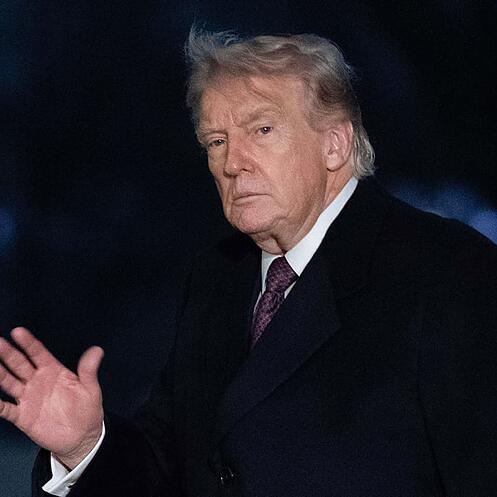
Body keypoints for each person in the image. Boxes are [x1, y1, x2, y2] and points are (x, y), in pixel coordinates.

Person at [1, 29, 496, 497]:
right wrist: (86, 448)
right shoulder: (218, 277)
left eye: (261, 129)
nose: (232, 162)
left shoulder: (448, 274)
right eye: (216, 141)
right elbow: (170, 470)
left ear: (335, 143)